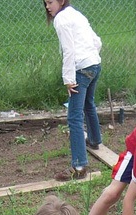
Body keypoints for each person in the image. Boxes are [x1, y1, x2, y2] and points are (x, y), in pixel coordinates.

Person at [44, 0, 103, 181]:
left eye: (50, 2)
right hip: (94, 64)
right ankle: (94, 140)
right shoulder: (76, 14)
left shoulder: (61, 19)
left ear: (61, 1)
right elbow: (97, 41)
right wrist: (91, 58)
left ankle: (79, 165)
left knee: (74, 117)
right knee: (88, 104)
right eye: (45, 3)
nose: (48, 7)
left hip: (80, 70)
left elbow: (68, 51)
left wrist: (68, 79)